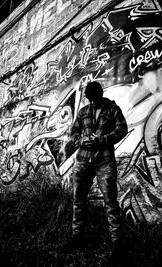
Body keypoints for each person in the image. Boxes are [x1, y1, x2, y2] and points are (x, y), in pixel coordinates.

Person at [62, 81, 128, 265]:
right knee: (78, 200)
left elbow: (122, 129)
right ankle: (77, 237)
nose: (93, 102)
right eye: (90, 99)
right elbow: (73, 132)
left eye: (95, 98)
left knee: (110, 201)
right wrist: (81, 140)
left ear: (101, 94)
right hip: (83, 160)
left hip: (104, 161)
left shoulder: (112, 109)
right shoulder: (83, 111)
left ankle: (117, 244)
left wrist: (102, 139)